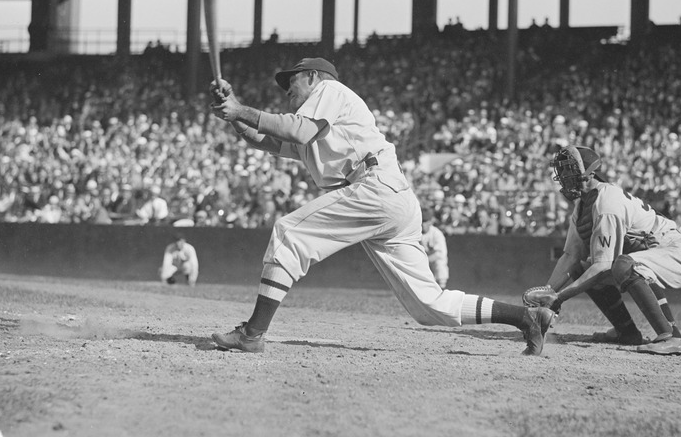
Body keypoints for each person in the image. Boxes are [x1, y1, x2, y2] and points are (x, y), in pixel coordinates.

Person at [206, 57, 554, 355]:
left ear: (313, 77)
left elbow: (295, 130)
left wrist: (241, 109)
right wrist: (232, 110)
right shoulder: (318, 128)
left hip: (374, 187)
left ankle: (252, 334)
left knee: (288, 234)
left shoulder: (330, 92)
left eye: (292, 80)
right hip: (391, 198)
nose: (287, 89)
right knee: (428, 306)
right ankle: (526, 318)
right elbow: (263, 140)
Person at [523, 145, 681, 355]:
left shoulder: (606, 202)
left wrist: (559, 297)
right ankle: (627, 332)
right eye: (561, 171)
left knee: (625, 265)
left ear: (588, 173)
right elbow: (572, 255)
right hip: (652, 251)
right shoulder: (582, 205)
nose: (563, 176)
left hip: (677, 250)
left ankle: (671, 336)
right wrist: (548, 293)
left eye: (568, 170)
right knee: (584, 267)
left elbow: (603, 266)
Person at [420, 210, 449, 289]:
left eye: (425, 221)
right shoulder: (416, 233)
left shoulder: (437, 233)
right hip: (423, 261)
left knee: (440, 264)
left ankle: (442, 288)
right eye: (422, 221)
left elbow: (440, 254)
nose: (423, 224)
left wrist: (425, 260)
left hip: (433, 261)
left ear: (430, 222)